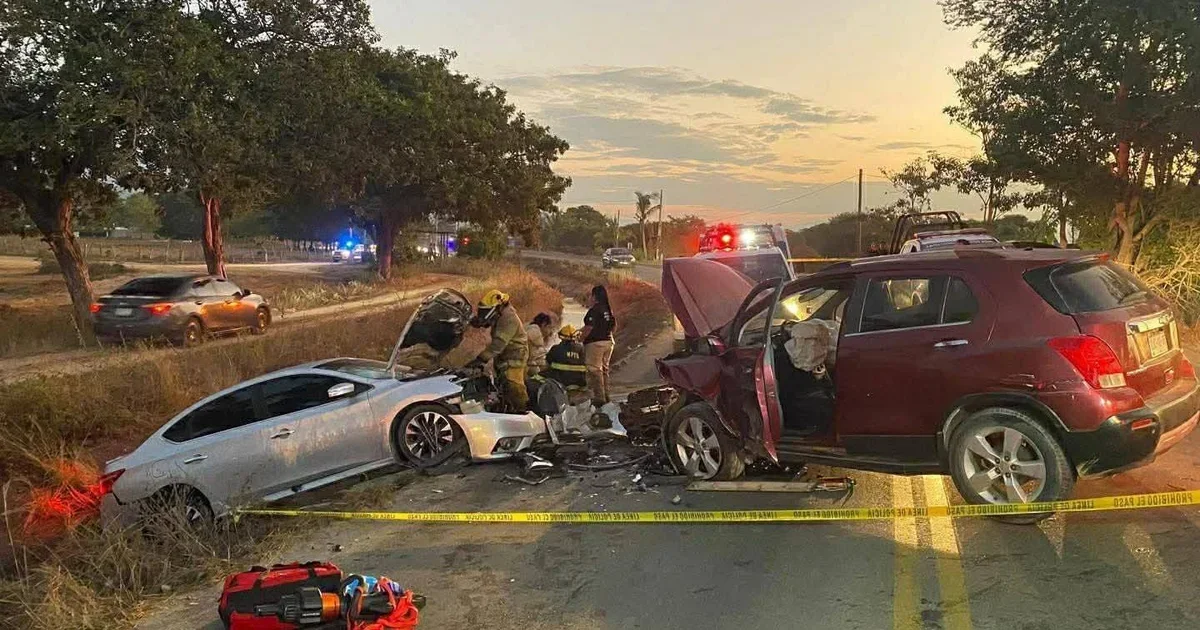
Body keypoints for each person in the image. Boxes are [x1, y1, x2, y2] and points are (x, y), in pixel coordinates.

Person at [468, 289, 529, 410]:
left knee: (514, 387)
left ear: (497, 307)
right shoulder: (500, 313)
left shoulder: (508, 318)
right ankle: (509, 410)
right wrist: (474, 321)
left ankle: (522, 413)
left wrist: (481, 359)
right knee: (503, 387)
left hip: (514, 358)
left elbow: (498, 344)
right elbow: (486, 321)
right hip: (504, 357)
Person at [579, 284, 615, 405]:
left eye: (591, 296)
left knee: (594, 370)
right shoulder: (608, 309)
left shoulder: (594, 311)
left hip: (595, 344)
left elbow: (589, 328)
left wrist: (580, 338)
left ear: (594, 296)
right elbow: (614, 326)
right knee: (604, 370)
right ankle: (606, 395)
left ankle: (599, 398)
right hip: (608, 342)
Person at [544, 324, 587, 389]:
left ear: (561, 336)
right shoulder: (581, 349)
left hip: (559, 381)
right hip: (579, 381)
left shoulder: (555, 348)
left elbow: (548, 363)